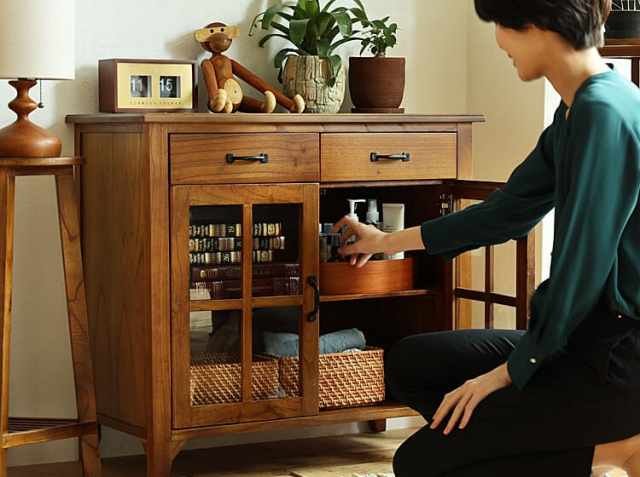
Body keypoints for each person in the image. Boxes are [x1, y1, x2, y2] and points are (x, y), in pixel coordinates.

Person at [332, 0, 640, 475]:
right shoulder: (578, 108)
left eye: (500, 24)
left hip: (615, 361)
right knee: (411, 363)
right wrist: (382, 242)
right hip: (580, 343)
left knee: (419, 465)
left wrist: (510, 372)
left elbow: (581, 269)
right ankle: (508, 446)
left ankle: (616, 452)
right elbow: (505, 213)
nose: (499, 41)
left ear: (538, 25)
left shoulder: (602, 113)